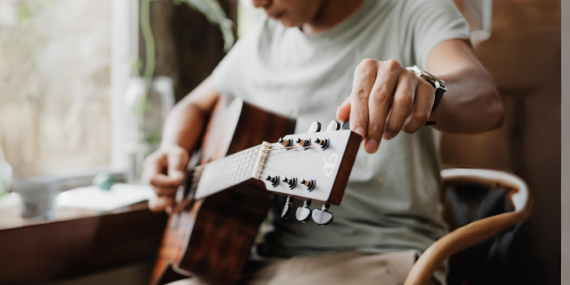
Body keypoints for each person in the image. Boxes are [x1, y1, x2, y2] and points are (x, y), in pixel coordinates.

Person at [142, 0, 503, 284]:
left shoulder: (413, 9)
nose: (255, 3)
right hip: (265, 259)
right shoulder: (262, 43)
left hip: (382, 254)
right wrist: (172, 148)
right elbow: (192, 105)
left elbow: (486, 102)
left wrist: (425, 90)